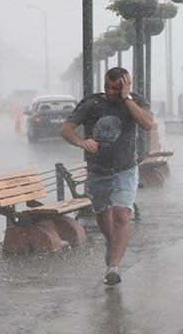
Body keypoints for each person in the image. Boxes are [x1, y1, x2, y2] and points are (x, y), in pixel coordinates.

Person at [60, 67, 154, 286]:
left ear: (126, 85)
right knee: (103, 217)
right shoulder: (92, 103)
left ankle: (113, 267)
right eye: (108, 87)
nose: (111, 92)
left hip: (125, 170)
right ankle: (112, 247)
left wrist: (127, 98)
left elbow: (148, 124)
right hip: (97, 171)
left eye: (116, 88)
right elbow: (65, 129)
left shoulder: (135, 101)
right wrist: (81, 141)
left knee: (122, 215)